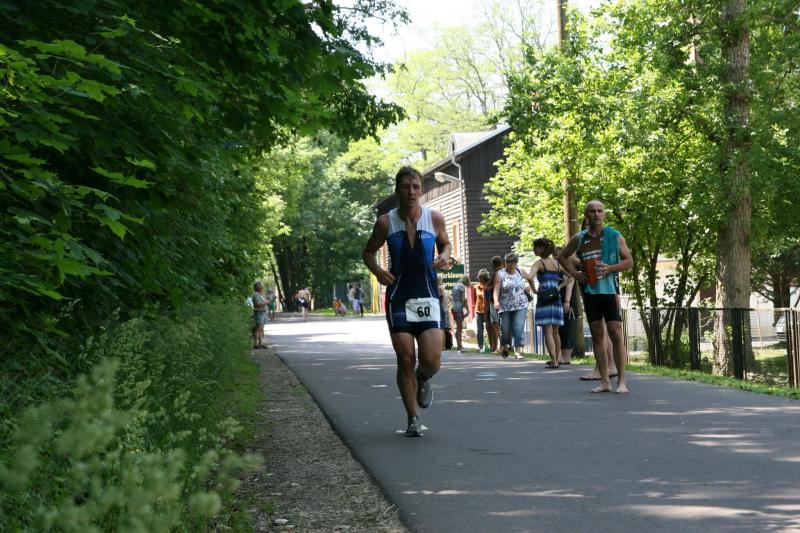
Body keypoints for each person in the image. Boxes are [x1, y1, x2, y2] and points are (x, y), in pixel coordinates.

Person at [362, 166, 452, 437]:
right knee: (405, 357)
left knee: (431, 360)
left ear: (421, 189)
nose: (411, 192)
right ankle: (413, 418)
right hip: (399, 297)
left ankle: (422, 378)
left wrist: (445, 255)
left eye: (415, 187)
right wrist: (378, 271)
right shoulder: (385, 222)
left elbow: (445, 245)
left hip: (427, 295)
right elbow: (368, 252)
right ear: (397, 190)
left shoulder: (434, 218)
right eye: (405, 187)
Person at [559, 200, 633, 393]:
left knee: (616, 334)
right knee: (597, 336)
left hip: (609, 292)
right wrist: (575, 274)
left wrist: (610, 268)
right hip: (590, 292)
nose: (596, 214)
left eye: (600, 211)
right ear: (586, 215)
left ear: (604, 214)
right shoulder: (579, 238)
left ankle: (622, 382)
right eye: (592, 211)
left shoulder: (614, 236)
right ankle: (605, 382)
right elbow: (562, 257)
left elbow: (629, 261)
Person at [493, 252, 535, 359]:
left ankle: (518, 352)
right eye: (509, 263)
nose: (511, 265)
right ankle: (505, 347)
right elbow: (496, 288)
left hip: (521, 304)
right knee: (505, 328)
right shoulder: (500, 274)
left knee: (518, 327)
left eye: (513, 263)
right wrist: (496, 301)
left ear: (516, 263)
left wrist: (531, 288)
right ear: (505, 263)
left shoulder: (520, 271)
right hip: (505, 305)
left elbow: (530, 278)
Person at [530, 238, 564, 368]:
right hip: (556, 298)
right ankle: (558, 359)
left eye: (535, 247)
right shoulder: (557, 263)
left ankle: (553, 361)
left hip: (544, 298)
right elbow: (571, 277)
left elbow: (530, 277)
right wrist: (559, 287)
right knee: (555, 332)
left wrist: (534, 290)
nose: (533, 249)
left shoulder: (538, 263)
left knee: (548, 331)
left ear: (542, 249)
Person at [554, 246, 576, 365]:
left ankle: (566, 357)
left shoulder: (566, 267)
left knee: (566, 328)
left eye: (558, 254)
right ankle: (560, 356)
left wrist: (567, 301)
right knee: (560, 329)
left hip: (566, 301)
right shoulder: (556, 267)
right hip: (558, 301)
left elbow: (570, 284)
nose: (556, 257)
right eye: (554, 255)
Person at [484, 256, 503, 353]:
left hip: (495, 302)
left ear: (493, 264)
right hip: (505, 301)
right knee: (503, 325)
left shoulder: (496, 274)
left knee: (495, 325)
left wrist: (489, 287)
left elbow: (488, 287)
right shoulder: (505, 272)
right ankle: (504, 346)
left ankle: (501, 346)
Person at [451, 275, 469, 352]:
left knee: (458, 327)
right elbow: (464, 300)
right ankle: (459, 347)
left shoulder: (455, 286)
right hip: (459, 308)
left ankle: (459, 346)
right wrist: (467, 309)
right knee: (459, 328)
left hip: (454, 307)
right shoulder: (462, 287)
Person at [475, 269, 491, 352]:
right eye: (479, 278)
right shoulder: (476, 287)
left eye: (480, 278)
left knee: (490, 328)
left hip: (488, 310)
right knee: (480, 330)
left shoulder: (489, 286)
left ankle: (492, 345)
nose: (479, 279)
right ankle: (480, 347)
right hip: (479, 311)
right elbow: (475, 299)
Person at [438, 274, 453, 350]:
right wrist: (448, 304)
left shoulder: (439, 288)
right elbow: (451, 298)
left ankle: (443, 346)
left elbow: (441, 297)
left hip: (441, 311)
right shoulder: (444, 289)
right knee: (444, 329)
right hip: (445, 310)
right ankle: (444, 346)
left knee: (442, 329)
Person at [251, 281, 269, 349]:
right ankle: (256, 344)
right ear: (258, 287)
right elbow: (258, 304)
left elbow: (263, 302)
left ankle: (261, 343)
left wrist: (266, 301)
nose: (262, 286)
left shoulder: (261, 294)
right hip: (259, 313)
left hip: (263, 312)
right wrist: (267, 302)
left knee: (261, 329)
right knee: (258, 329)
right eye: (261, 285)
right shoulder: (255, 294)